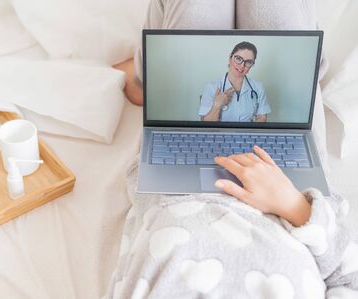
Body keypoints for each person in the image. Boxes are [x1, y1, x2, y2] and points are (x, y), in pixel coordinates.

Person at [104, 147, 358, 297]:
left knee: (167, 102)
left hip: (173, 187)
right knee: (302, 93)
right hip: (289, 194)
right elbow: (351, 277)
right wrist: (295, 206)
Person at [198, 41, 271, 122]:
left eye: (248, 62)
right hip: (221, 134)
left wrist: (250, 133)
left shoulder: (258, 87)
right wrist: (217, 104)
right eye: (238, 59)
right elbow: (206, 125)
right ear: (230, 58)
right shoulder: (212, 87)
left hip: (247, 133)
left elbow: (262, 118)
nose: (242, 65)